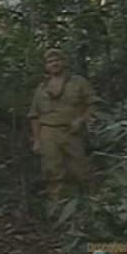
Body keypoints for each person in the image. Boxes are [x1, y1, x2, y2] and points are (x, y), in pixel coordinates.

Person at [27, 48, 98, 203]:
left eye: (57, 60)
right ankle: (59, 207)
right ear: (46, 66)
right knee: (53, 172)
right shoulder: (41, 89)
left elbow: (92, 104)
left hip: (71, 131)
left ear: (64, 62)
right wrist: (37, 140)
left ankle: (92, 204)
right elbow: (34, 116)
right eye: (50, 62)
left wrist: (81, 120)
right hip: (48, 133)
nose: (54, 64)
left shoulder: (78, 82)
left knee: (81, 169)